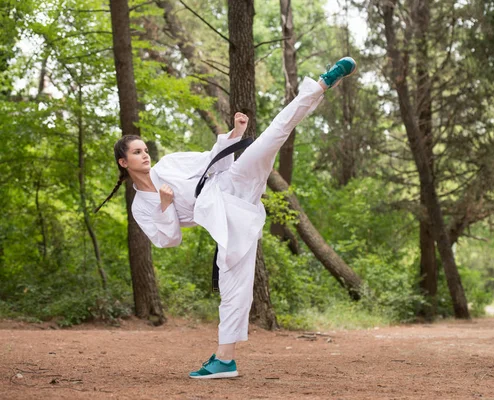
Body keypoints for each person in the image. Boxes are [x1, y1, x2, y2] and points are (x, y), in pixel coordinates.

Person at [96, 57, 357, 379]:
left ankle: (321, 83)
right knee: (236, 287)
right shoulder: (141, 206)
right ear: (124, 163)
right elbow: (169, 239)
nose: (145, 154)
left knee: (275, 133)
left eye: (144, 148)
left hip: (232, 182)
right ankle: (225, 359)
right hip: (230, 219)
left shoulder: (171, 164)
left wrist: (234, 133)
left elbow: (212, 162)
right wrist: (164, 205)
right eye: (136, 152)